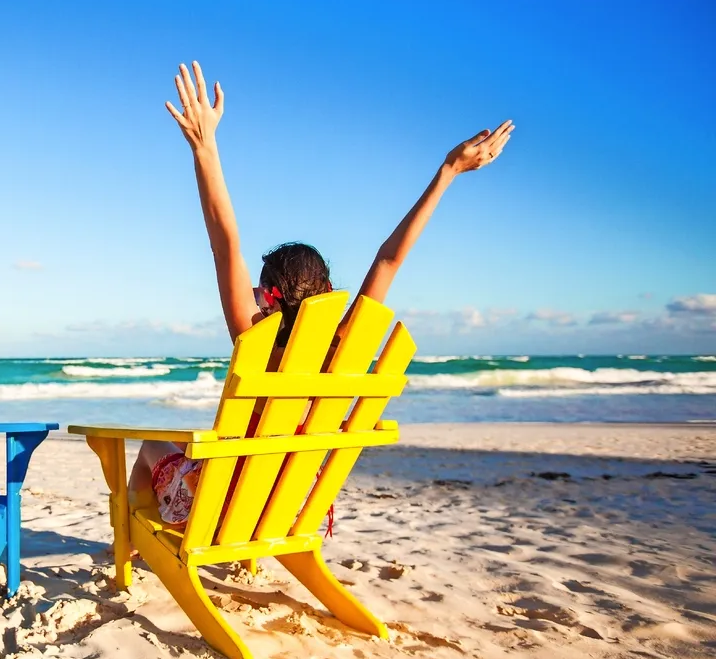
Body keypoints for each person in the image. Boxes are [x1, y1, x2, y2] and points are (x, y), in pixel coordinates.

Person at [133, 61, 514, 525]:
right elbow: (389, 260)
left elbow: (224, 242)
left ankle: (135, 547)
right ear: (326, 293)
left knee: (153, 446)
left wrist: (204, 146)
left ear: (270, 298)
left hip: (224, 509)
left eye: (258, 286)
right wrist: (449, 170)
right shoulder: (341, 349)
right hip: (294, 508)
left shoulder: (254, 340)